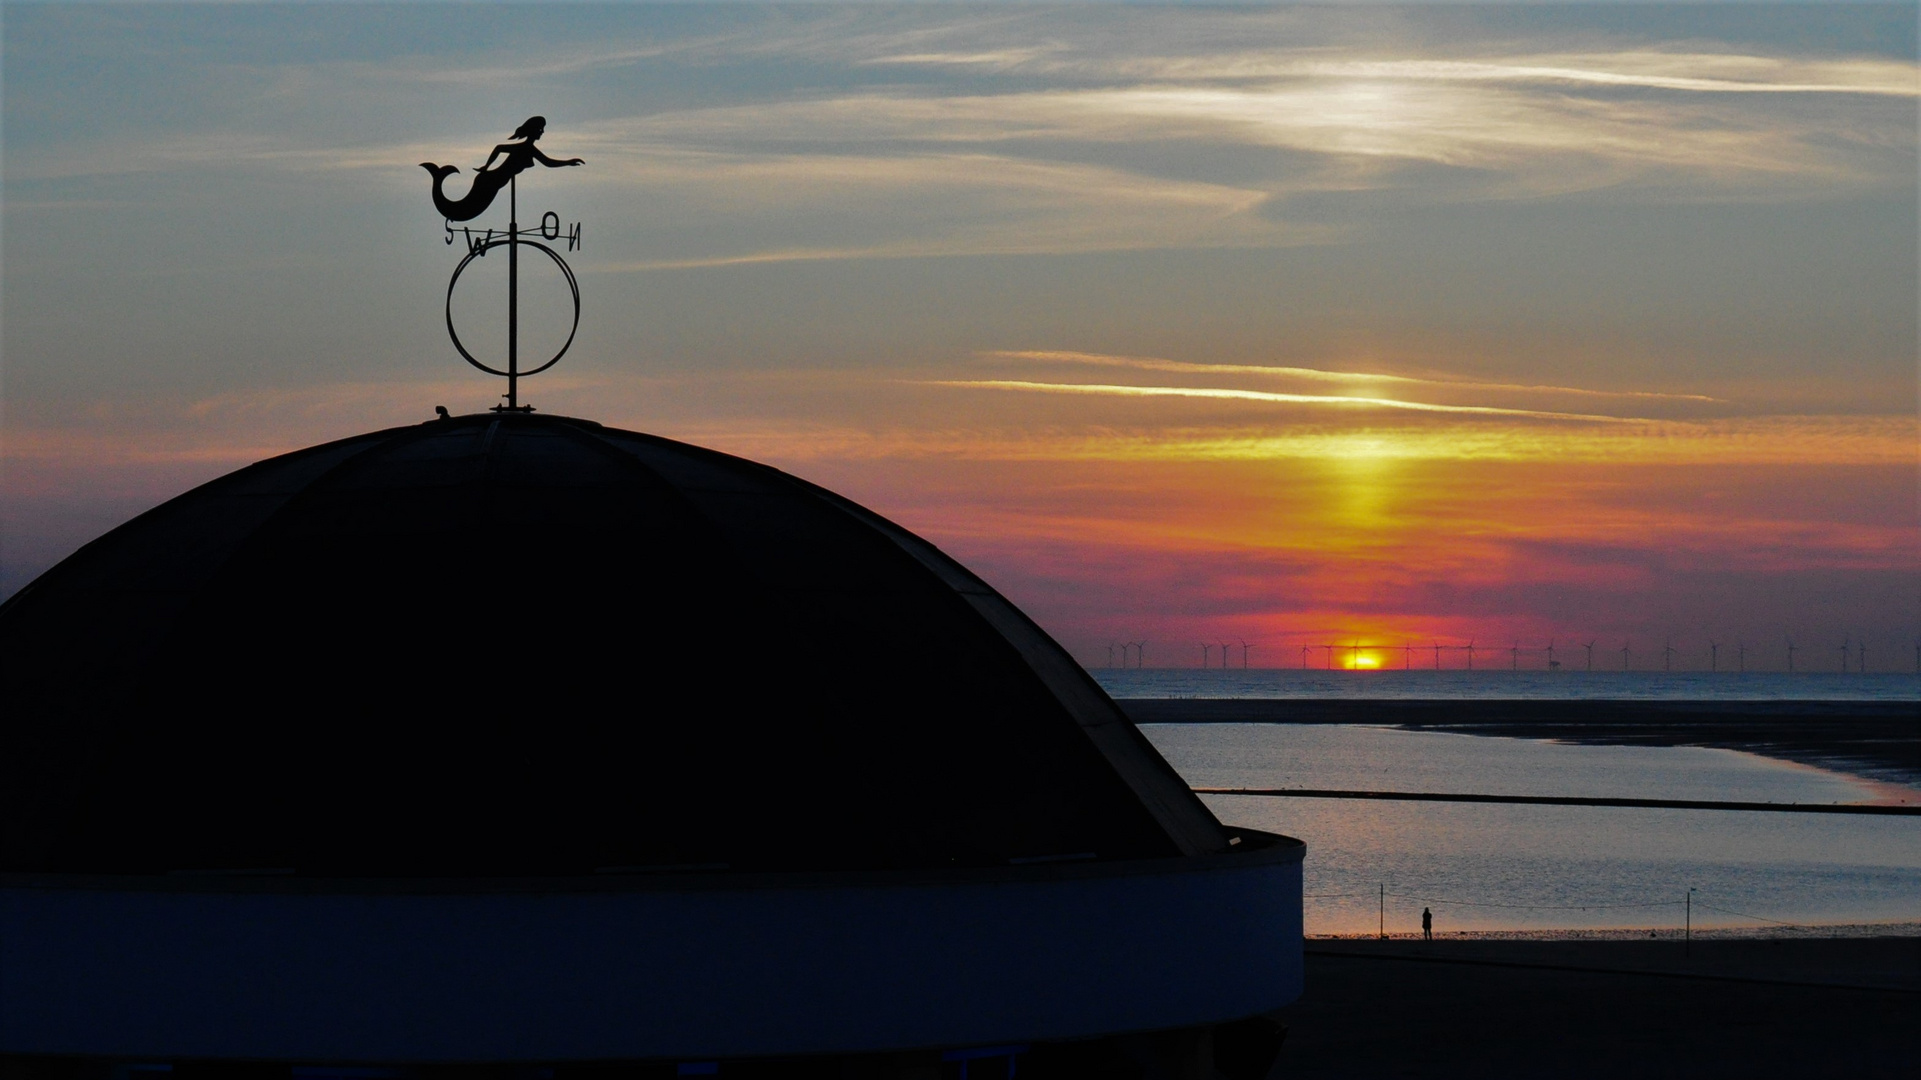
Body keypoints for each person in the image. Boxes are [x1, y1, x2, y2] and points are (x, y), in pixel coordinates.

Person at [422, 116, 584, 222]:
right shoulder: (525, 148)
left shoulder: (529, 149)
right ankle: (438, 180)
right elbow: (499, 147)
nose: (542, 132)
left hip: (491, 181)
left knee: (465, 210)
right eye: (540, 129)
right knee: (464, 211)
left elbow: (548, 162)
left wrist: (569, 162)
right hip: (491, 182)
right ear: (534, 130)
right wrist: (487, 166)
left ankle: (438, 180)